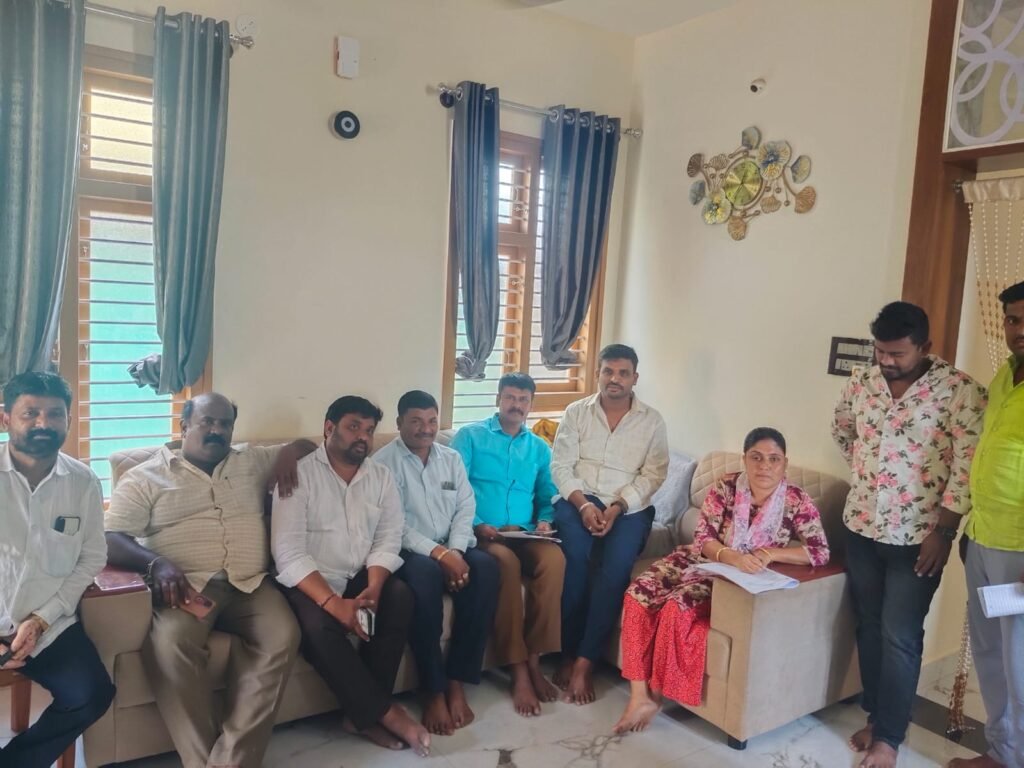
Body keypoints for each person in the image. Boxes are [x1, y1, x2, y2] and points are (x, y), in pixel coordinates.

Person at [105, 392, 312, 768]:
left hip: (251, 584)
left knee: (283, 635)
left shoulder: (251, 460)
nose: (217, 430)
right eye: (207, 422)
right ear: (184, 426)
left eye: (225, 424)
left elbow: (309, 447)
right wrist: (156, 564)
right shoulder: (145, 476)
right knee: (170, 644)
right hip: (187, 586)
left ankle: (229, 760)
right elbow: (110, 538)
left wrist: (287, 453)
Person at [832, 302, 986, 768]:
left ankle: (889, 739)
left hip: (919, 537)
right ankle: (876, 716)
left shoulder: (960, 392)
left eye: (897, 353)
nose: (886, 360)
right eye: (880, 351)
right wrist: (872, 479)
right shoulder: (862, 382)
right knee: (869, 625)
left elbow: (967, 468)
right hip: (861, 525)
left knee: (899, 635)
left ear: (925, 346)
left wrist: (944, 530)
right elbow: (843, 430)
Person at [613, 427, 829, 733]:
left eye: (774, 459)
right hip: (701, 559)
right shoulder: (726, 486)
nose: (765, 466)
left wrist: (770, 553)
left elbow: (819, 552)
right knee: (637, 595)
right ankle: (639, 697)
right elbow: (703, 539)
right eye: (756, 457)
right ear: (745, 459)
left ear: (785, 463)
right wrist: (732, 556)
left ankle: (658, 694)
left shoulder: (796, 500)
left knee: (676, 607)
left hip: (735, 579)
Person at [271, 396, 430, 757]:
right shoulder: (299, 474)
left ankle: (360, 716)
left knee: (399, 596)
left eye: (369, 430)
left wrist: (375, 585)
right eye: (353, 427)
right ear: (329, 428)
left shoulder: (380, 477)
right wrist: (332, 603)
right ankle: (385, 714)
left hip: (359, 573)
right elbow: (288, 553)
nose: (363, 437)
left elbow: (389, 537)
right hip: (310, 579)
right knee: (318, 628)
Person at [0, 372, 115, 768]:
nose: (43, 423)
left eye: (54, 414)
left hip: (47, 625)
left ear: (68, 419)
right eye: (29, 413)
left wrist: (40, 620)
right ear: (5, 419)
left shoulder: (82, 482)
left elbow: (91, 558)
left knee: (91, 695)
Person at [374, 390, 499, 736]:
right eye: (416, 421)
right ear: (399, 423)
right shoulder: (383, 464)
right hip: (409, 551)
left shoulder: (450, 458)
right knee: (425, 577)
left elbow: (466, 507)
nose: (426, 429)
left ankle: (456, 680)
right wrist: (440, 555)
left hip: (451, 544)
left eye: (431, 421)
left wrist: (455, 551)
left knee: (487, 569)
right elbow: (394, 525)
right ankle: (432, 689)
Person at [551, 343, 669, 705]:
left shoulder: (652, 421)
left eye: (622, 373)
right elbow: (560, 466)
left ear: (635, 378)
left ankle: (586, 661)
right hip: (578, 500)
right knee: (575, 560)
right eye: (608, 371)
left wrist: (617, 507)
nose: (614, 379)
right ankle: (567, 653)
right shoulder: (576, 412)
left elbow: (654, 474)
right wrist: (585, 505)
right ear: (598, 374)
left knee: (615, 569)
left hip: (629, 507)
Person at [451, 372, 566, 717]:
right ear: (498, 399)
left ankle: (535, 659)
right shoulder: (470, 437)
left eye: (523, 400)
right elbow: (454, 489)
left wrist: (544, 521)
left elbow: (547, 495)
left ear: (531, 405)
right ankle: (517, 669)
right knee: (506, 563)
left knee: (555, 559)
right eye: (510, 398)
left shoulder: (539, 448)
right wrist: (476, 524)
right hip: (481, 533)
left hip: (524, 532)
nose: (516, 405)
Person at [950, 280, 1024, 768]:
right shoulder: (1005, 376)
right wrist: (969, 527)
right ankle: (1003, 753)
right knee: (991, 654)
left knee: (1021, 664)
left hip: (1019, 550)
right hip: (983, 539)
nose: (1019, 330)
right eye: (1013, 319)